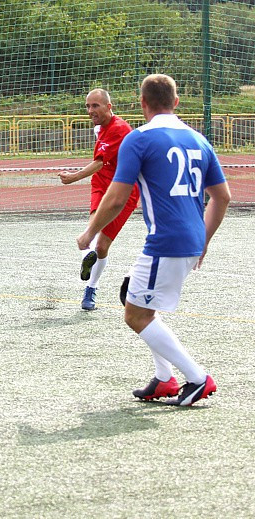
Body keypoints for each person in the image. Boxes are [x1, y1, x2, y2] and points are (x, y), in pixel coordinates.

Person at [77, 74, 230, 406]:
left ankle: (198, 378)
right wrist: (203, 240)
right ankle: (164, 379)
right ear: (176, 102)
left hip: (166, 242)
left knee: (136, 315)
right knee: (132, 295)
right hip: (190, 240)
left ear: (142, 103)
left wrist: (90, 233)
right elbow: (222, 197)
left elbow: (117, 198)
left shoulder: (139, 138)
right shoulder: (199, 139)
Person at [59, 88, 140, 311]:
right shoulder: (99, 128)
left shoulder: (120, 129)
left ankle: (91, 285)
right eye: (87, 106)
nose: (90, 110)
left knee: (102, 245)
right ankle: (89, 278)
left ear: (109, 106)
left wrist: (73, 177)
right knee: (93, 231)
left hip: (124, 192)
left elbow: (99, 162)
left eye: (95, 106)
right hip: (101, 185)